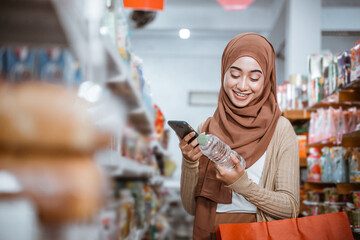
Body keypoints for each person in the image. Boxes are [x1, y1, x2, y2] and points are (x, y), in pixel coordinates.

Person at [178, 33, 299, 240]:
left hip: (258, 234)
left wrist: (242, 184)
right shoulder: (206, 128)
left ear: (267, 79)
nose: (242, 86)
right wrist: (190, 162)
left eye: (254, 78)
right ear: (223, 73)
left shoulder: (280, 129)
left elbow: (290, 207)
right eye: (234, 75)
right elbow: (191, 208)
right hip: (209, 233)